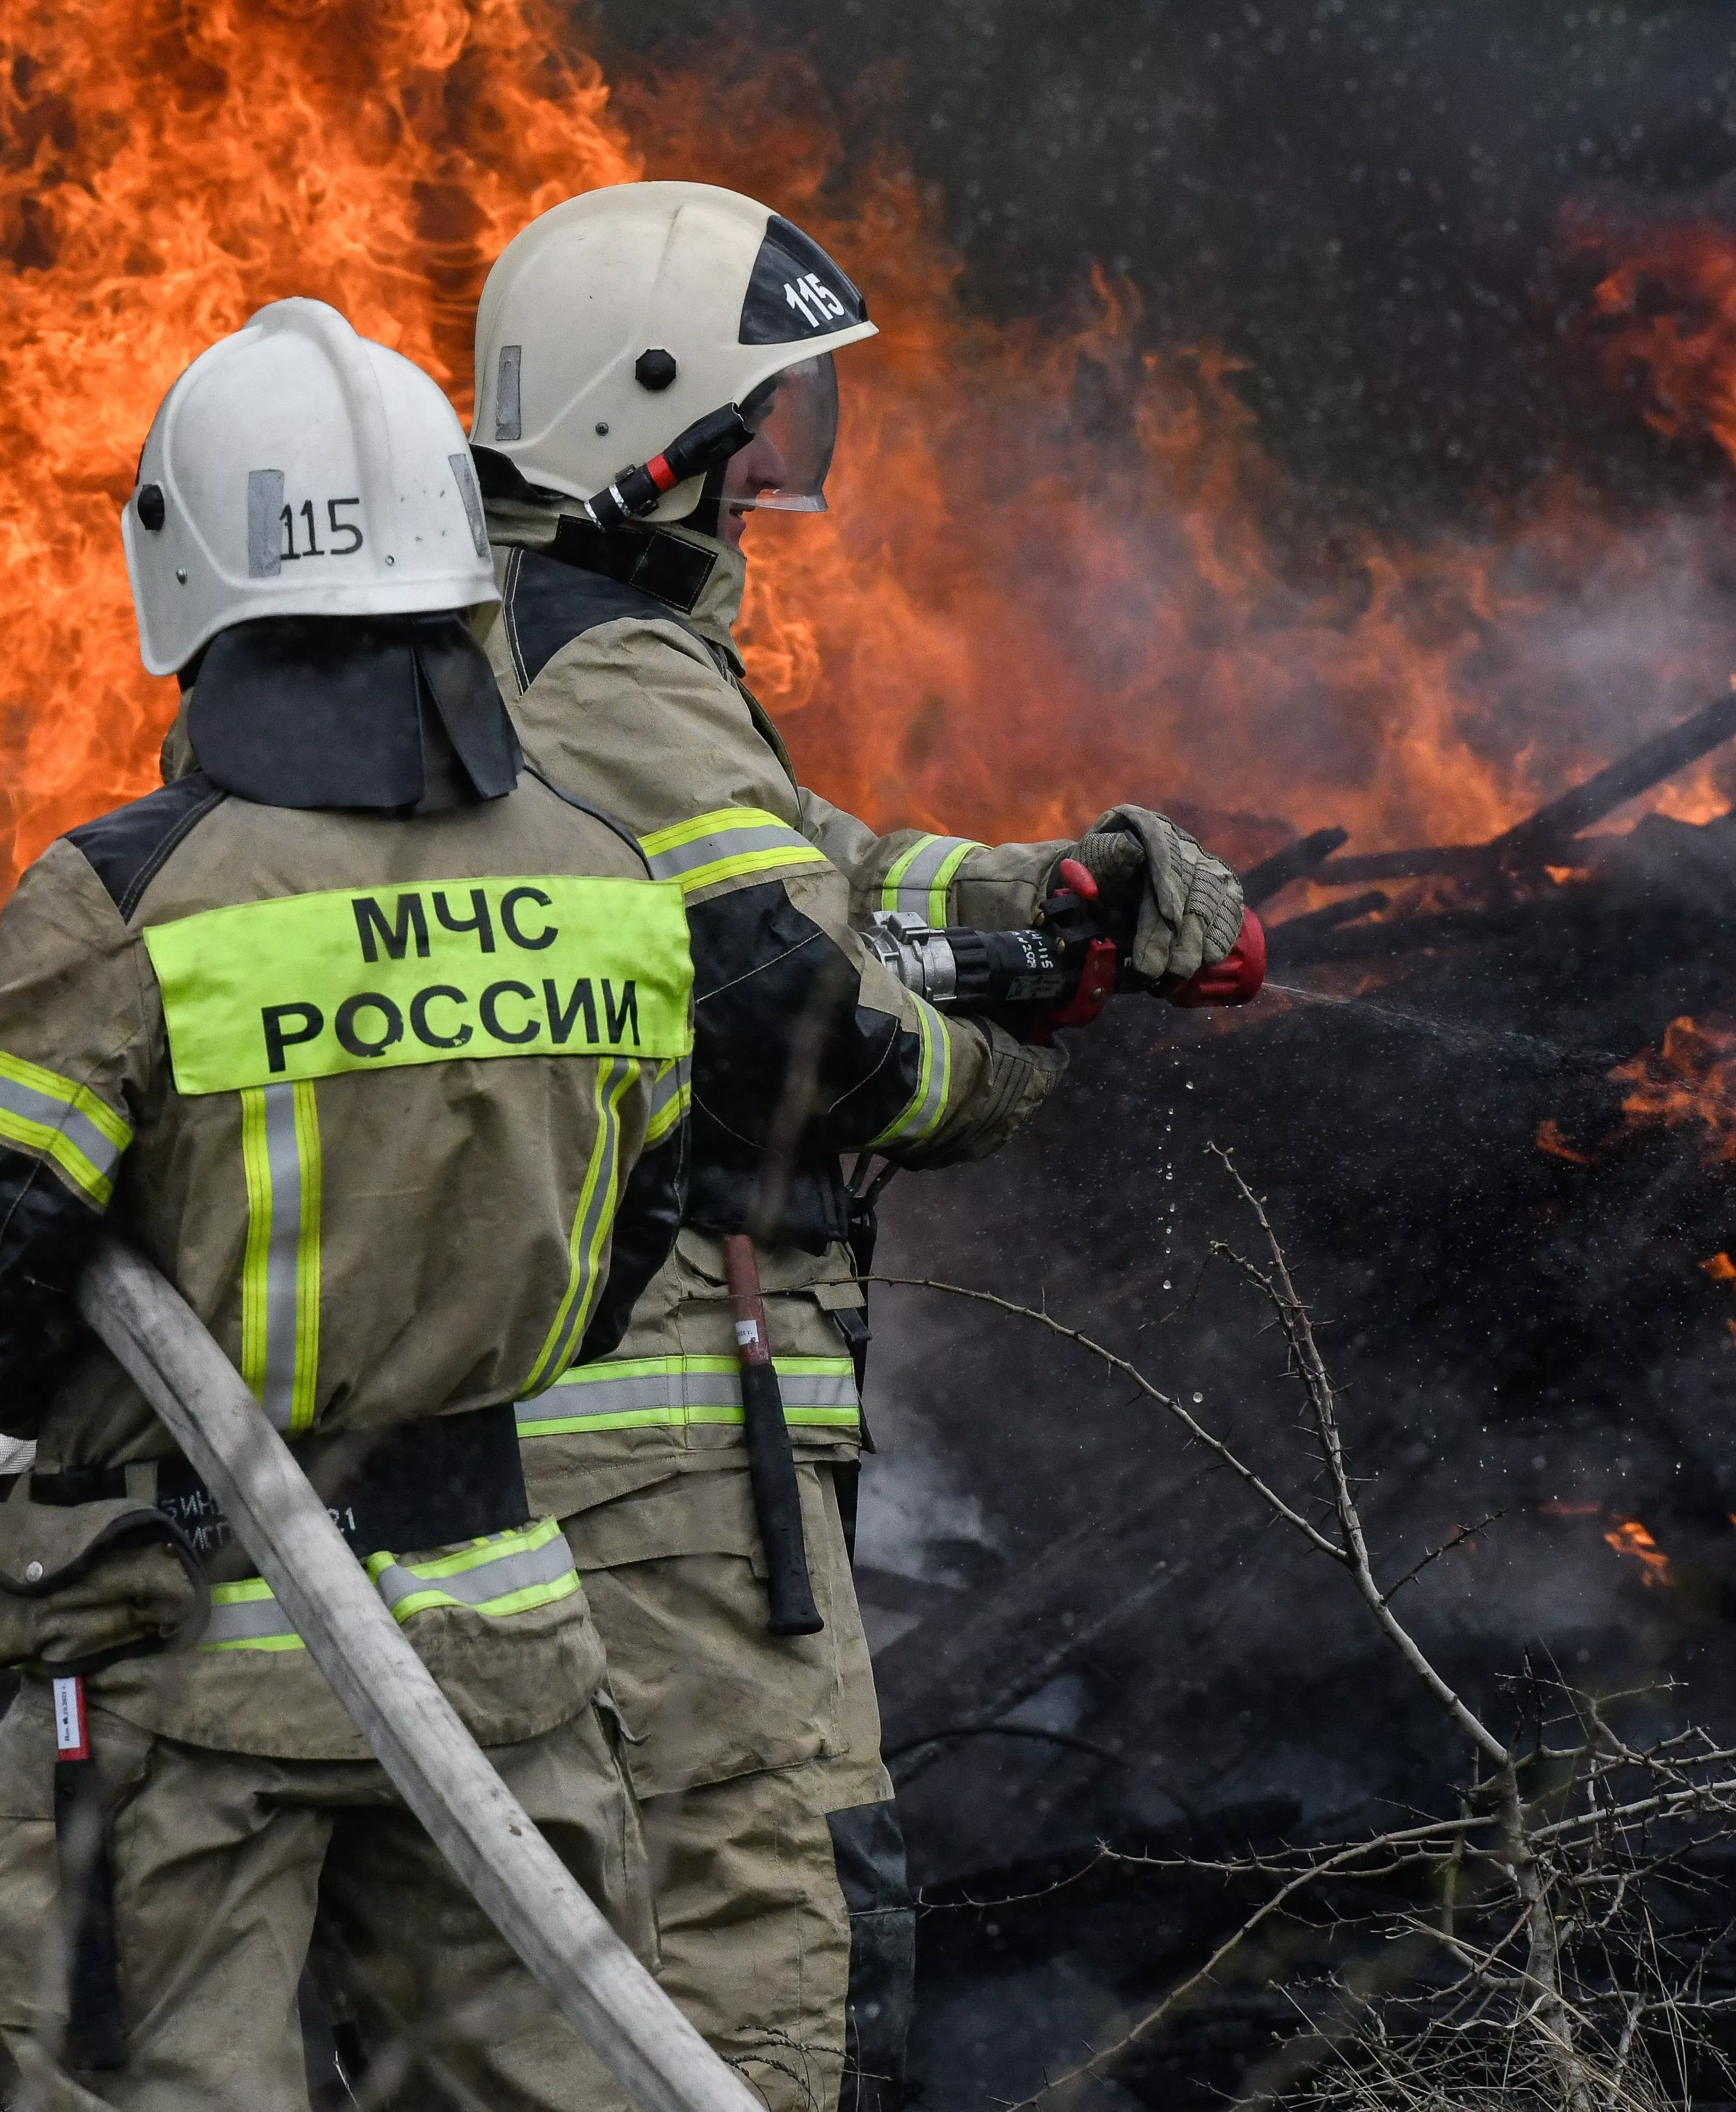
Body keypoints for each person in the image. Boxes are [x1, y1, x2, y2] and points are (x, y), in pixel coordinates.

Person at [454, 180, 1251, 2110]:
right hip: (660, 1428)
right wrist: (1022, 1062)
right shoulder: (605, 675)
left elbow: (814, 863)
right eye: (763, 432)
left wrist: (1047, 890)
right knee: (770, 1925)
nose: (773, 484)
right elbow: (804, 1017)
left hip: (586, 1418)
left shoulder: (529, 647)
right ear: (647, 431)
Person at [0, 296, 695, 2112]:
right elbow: (633, 1244)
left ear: (189, 572)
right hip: (502, 1652)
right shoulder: (615, 881)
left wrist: (117, 1379)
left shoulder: (130, 901)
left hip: (177, 1686)